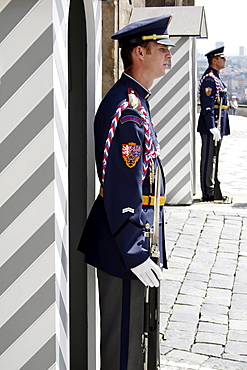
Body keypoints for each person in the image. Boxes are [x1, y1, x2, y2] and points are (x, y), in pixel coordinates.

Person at [78, 14, 175, 370]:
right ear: (139, 53)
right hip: (123, 248)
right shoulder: (126, 110)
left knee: (136, 343)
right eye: (161, 48)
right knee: (124, 349)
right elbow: (123, 188)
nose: (168, 55)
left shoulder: (135, 100)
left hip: (129, 243)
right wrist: (135, 252)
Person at [197, 46, 230, 202]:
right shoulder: (210, 79)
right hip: (212, 125)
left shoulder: (216, 77)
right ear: (214, 60)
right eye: (222, 58)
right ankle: (208, 192)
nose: (225, 60)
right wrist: (211, 126)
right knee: (209, 158)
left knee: (213, 158)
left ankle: (211, 189)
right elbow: (207, 105)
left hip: (218, 124)